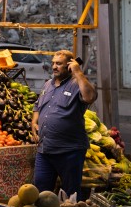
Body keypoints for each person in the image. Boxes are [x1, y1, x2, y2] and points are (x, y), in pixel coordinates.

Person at [32, 49, 97, 198]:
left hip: (69, 151)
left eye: (59, 64)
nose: (54, 67)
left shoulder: (77, 84)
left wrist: (78, 72)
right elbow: (37, 105)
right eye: (53, 63)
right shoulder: (48, 84)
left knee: (71, 195)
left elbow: (90, 97)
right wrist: (34, 122)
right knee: (40, 194)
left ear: (69, 65)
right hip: (45, 150)